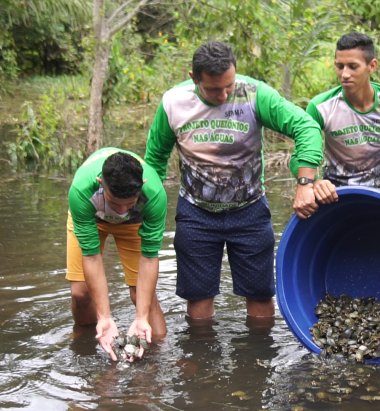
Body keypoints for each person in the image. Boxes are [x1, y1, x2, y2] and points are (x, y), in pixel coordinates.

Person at [144, 41, 323, 321]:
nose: (225, 94)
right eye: (214, 89)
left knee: (262, 296)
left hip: (250, 209)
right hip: (195, 212)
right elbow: (154, 161)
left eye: (229, 85)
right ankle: (201, 360)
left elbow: (306, 127)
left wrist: (305, 183)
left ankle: (258, 361)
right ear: (193, 77)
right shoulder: (173, 102)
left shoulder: (255, 94)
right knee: (199, 301)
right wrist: (145, 209)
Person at [66, 147, 168, 361]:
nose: (121, 211)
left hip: (134, 223)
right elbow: (91, 256)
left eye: (128, 204)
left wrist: (141, 317)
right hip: (93, 218)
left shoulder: (155, 195)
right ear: (101, 183)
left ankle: (160, 352)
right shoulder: (81, 191)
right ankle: (87, 343)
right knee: (80, 293)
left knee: (140, 295)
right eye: (115, 204)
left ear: (143, 186)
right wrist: (104, 317)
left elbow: (149, 257)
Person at [306, 31, 380, 204]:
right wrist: (315, 182)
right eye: (339, 66)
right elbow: (303, 153)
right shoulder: (320, 107)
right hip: (335, 194)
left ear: (372, 66)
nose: (344, 74)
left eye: (353, 67)